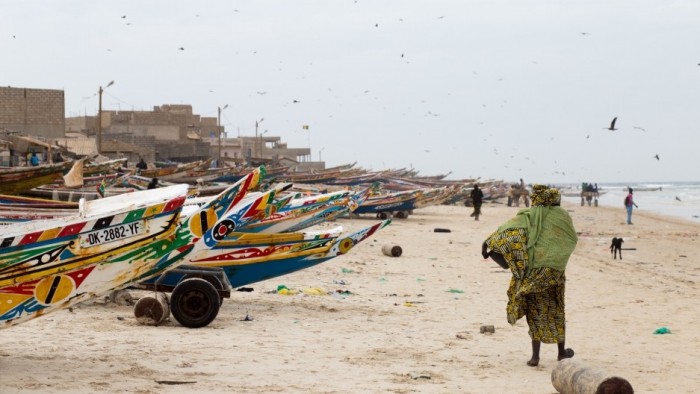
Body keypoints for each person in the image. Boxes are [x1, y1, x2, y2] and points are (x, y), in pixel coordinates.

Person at [481, 185, 578, 366]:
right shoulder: (562, 216)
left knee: (535, 313)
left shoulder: (527, 216)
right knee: (556, 310)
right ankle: (561, 353)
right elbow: (571, 239)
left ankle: (535, 357)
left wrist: (488, 244)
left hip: (531, 273)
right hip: (554, 273)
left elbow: (506, 231)